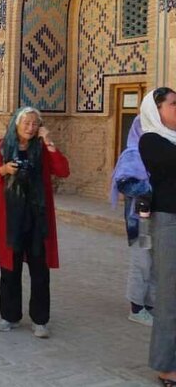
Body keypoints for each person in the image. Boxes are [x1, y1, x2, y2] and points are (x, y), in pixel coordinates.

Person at [0, 106, 69, 339]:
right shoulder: (2, 146)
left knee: (40, 271)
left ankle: (40, 320)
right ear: (16, 124)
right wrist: (3, 169)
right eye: (26, 123)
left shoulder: (42, 148)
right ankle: (9, 316)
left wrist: (49, 142)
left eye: (34, 124)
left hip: (37, 218)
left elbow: (63, 171)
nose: (30, 128)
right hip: (10, 218)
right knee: (10, 269)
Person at [138, 87, 176, 386]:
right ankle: (166, 367)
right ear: (157, 109)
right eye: (174, 104)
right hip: (169, 222)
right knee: (169, 296)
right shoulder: (151, 140)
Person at [110, 115, 155, 327]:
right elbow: (126, 184)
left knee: (155, 264)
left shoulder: (157, 153)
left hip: (159, 220)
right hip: (140, 222)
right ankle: (137, 307)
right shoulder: (132, 155)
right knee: (142, 264)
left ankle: (151, 306)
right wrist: (154, 189)